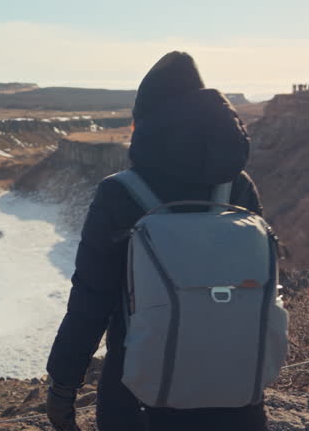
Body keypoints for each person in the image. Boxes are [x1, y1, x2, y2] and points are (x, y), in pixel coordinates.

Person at [45, 51, 267, 431]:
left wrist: (63, 385)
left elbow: (90, 300)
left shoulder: (121, 194)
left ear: (145, 124)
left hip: (139, 398)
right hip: (235, 391)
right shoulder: (238, 186)